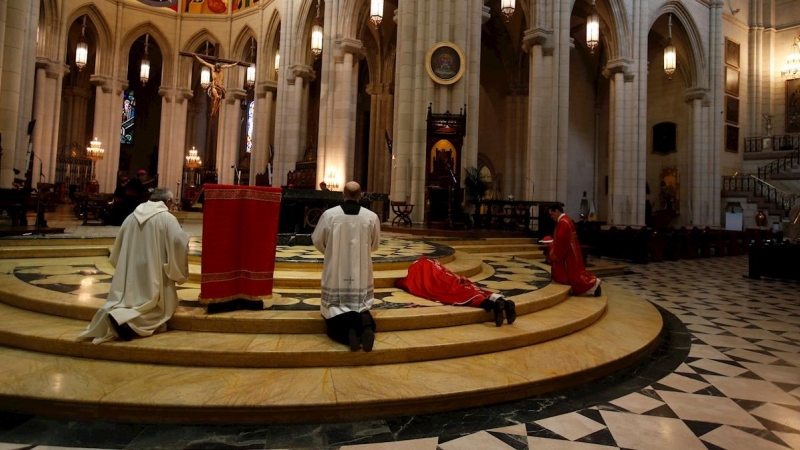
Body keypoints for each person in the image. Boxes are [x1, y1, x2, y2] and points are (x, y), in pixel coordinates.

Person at [78, 188, 189, 344]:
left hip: (131, 272)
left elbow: (118, 247)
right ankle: (127, 323)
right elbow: (178, 242)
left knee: (131, 300)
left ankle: (119, 315)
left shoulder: (132, 217)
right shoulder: (167, 218)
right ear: (168, 202)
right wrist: (178, 266)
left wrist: (125, 265)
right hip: (155, 272)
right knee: (159, 308)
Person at [312, 181, 381, 352]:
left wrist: (332, 251)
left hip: (336, 268)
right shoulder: (371, 217)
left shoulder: (330, 215)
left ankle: (348, 332)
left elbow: (318, 241)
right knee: (360, 305)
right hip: (361, 269)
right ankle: (365, 327)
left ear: (343, 195)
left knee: (335, 308)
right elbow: (374, 244)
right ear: (360, 195)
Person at [395, 257, 515, 326]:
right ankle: (503, 301)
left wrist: (400, 282)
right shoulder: (433, 263)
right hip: (454, 279)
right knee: (476, 290)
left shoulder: (419, 267)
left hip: (445, 284)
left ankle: (494, 306)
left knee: (463, 295)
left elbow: (410, 283)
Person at [547, 203, 602, 296]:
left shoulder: (563, 222)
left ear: (557, 211)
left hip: (568, 254)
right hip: (572, 250)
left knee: (575, 276)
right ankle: (593, 286)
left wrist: (553, 250)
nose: (551, 217)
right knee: (577, 272)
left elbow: (561, 240)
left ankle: (592, 286)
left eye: (552, 214)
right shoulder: (566, 219)